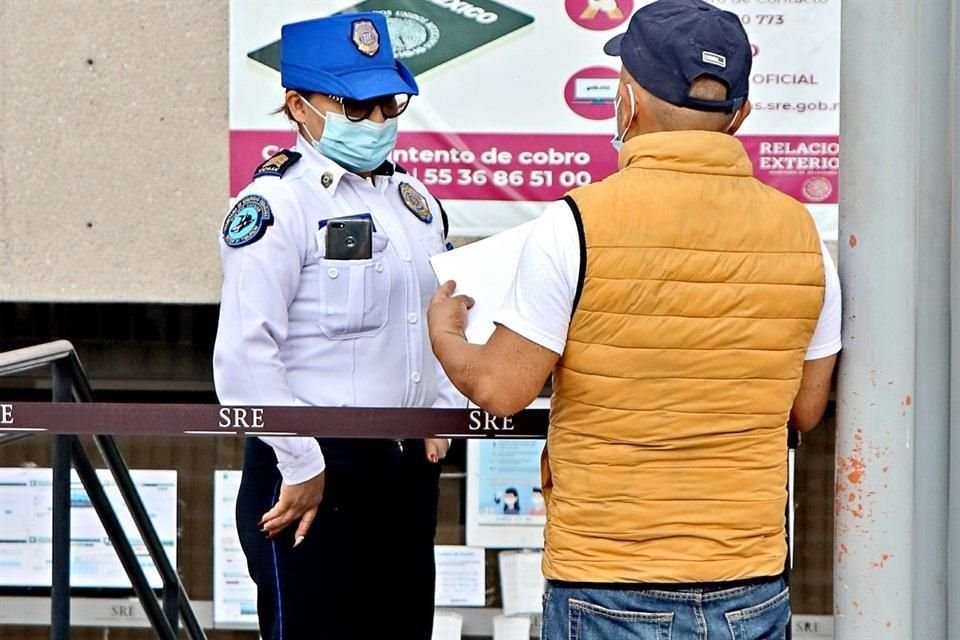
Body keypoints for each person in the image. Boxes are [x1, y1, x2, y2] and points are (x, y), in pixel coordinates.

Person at [427, 1, 841, 638]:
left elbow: (500, 390)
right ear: (741, 114)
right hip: (750, 582)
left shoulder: (578, 222)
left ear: (627, 101)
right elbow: (805, 410)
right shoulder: (803, 234)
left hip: (607, 582)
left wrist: (445, 332)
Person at [213, 13, 463, 640]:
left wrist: (442, 408)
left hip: (405, 468)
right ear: (298, 105)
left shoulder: (416, 204)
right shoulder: (278, 205)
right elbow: (245, 356)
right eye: (355, 104)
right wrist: (301, 463)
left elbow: (446, 308)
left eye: (388, 103)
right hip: (312, 464)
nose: (377, 122)